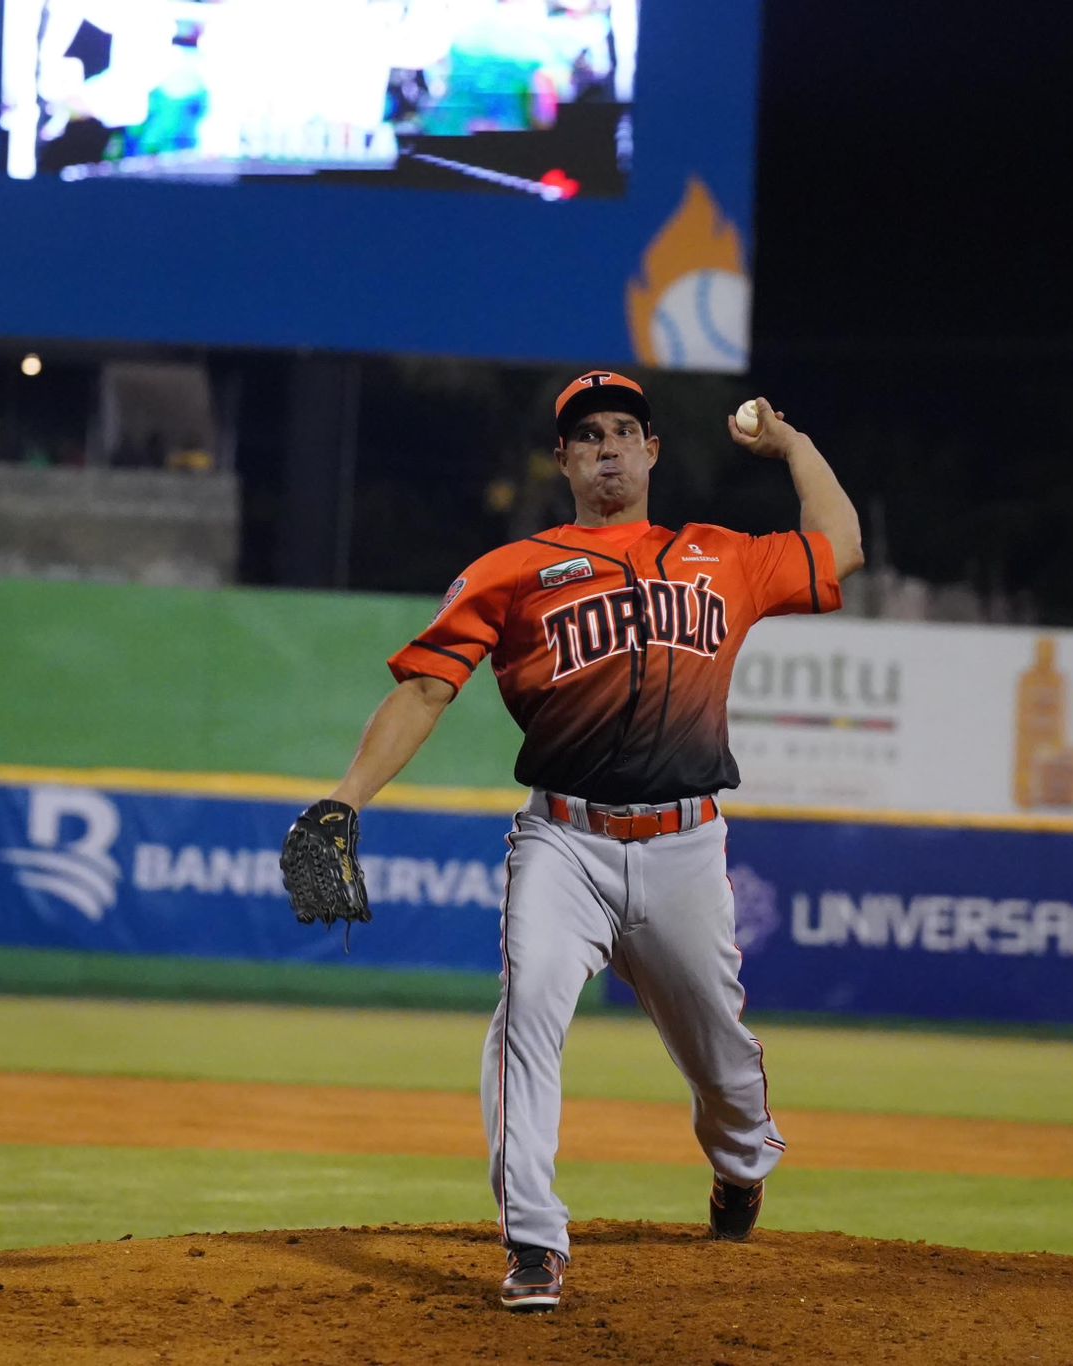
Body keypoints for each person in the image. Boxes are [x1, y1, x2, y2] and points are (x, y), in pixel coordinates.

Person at [282, 370, 864, 1312]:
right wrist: (346, 797)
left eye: (623, 430)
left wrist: (793, 447)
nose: (606, 446)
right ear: (563, 458)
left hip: (684, 848)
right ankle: (533, 1243)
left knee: (723, 1063)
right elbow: (427, 688)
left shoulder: (721, 556)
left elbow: (841, 547)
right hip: (564, 843)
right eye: (586, 434)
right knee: (527, 1014)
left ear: (651, 452)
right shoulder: (512, 570)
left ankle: (742, 1164)